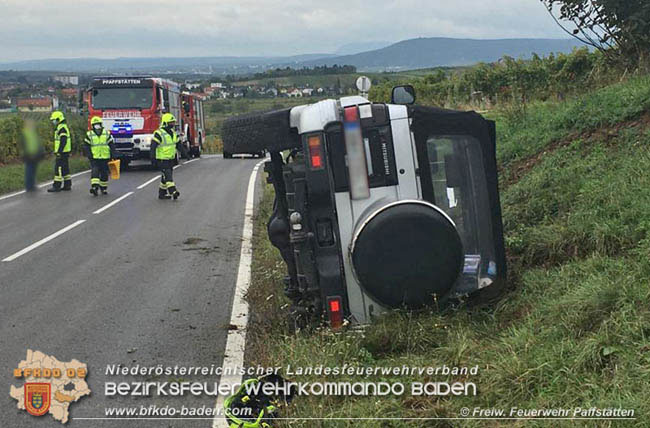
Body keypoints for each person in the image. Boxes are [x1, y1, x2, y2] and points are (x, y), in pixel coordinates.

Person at [150, 113, 185, 200]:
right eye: (171, 122)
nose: (172, 124)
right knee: (168, 176)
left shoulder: (173, 133)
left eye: (173, 122)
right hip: (161, 159)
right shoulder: (158, 133)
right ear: (165, 123)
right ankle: (173, 191)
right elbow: (153, 146)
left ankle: (162, 194)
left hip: (170, 159)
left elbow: (178, 144)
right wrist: (153, 158)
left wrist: (185, 154)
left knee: (164, 177)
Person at [84, 116, 115, 196]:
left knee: (104, 172)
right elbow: (86, 146)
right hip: (94, 157)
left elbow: (111, 144)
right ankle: (94, 187)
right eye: (95, 125)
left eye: (98, 125)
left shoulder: (106, 133)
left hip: (105, 157)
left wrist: (113, 154)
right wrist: (89, 155)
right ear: (92, 126)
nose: (97, 127)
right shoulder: (90, 134)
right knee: (95, 171)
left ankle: (103, 188)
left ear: (101, 125)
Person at [47, 111, 72, 192]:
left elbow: (63, 140)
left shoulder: (61, 128)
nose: (53, 122)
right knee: (65, 169)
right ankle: (67, 185)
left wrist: (59, 152)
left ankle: (57, 186)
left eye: (54, 120)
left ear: (58, 119)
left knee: (58, 168)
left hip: (62, 152)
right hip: (65, 152)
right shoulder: (62, 127)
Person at [19, 119, 44, 192]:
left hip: (35, 154)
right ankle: (29, 186)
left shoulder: (33, 132)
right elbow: (23, 145)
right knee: (29, 171)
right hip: (29, 155)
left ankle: (32, 185)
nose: (32, 125)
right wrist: (27, 154)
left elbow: (37, 143)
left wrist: (40, 152)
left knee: (33, 170)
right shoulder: (25, 133)